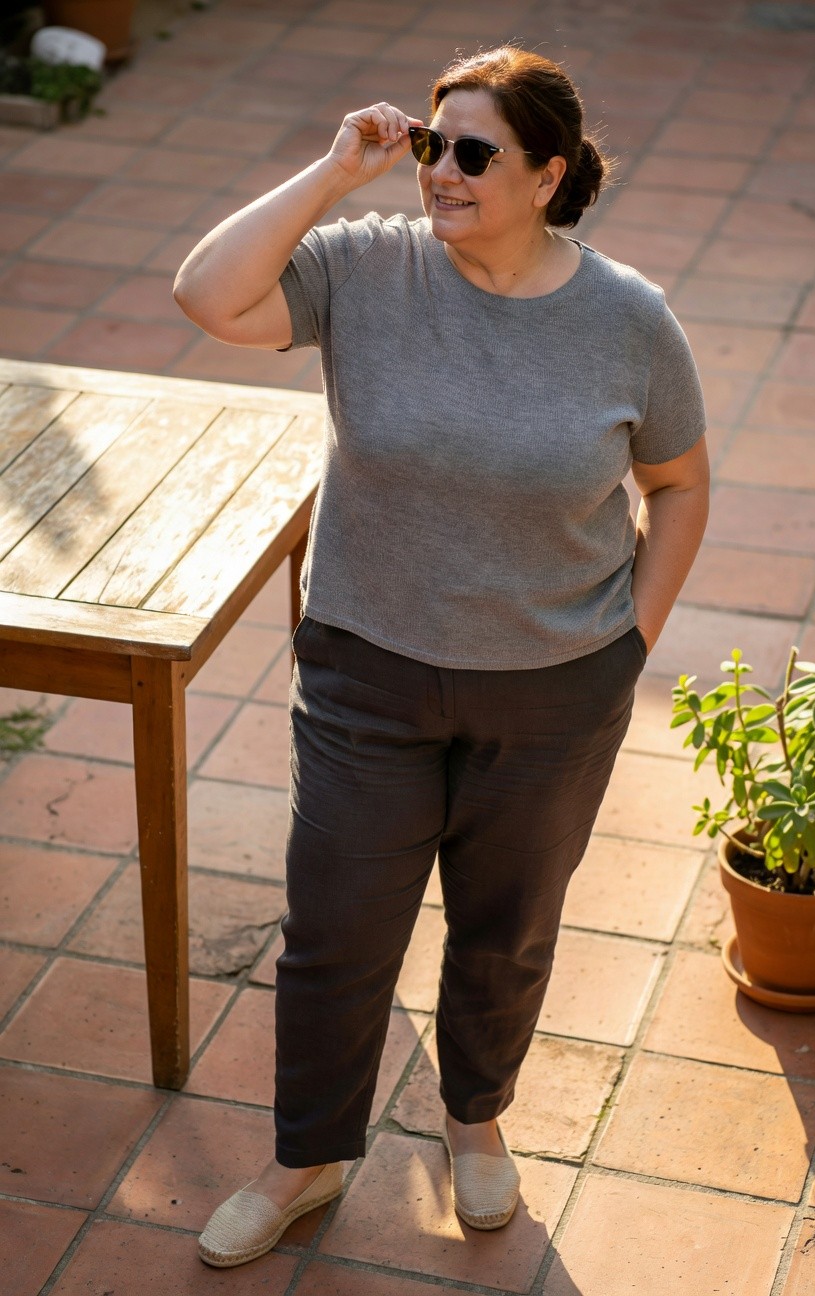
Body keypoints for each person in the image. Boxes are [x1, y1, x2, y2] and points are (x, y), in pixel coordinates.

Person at [174, 44, 709, 1268]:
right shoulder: (367, 269)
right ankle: (306, 1159)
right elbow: (208, 296)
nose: (442, 175)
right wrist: (330, 171)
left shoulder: (628, 319)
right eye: (431, 145)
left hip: (556, 687)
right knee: (337, 930)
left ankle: (476, 1126)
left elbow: (679, 484)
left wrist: (632, 640)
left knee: (506, 927)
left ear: (548, 176)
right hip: (369, 669)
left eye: (475, 155)